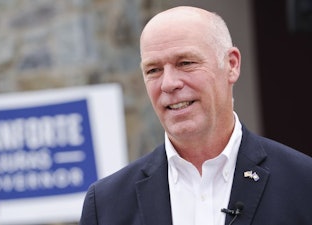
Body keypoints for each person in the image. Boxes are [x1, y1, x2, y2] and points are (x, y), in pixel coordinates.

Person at [79, 6, 312, 225]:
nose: (168, 84)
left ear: (231, 65)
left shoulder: (302, 183)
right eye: (154, 70)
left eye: (186, 63)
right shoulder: (106, 205)